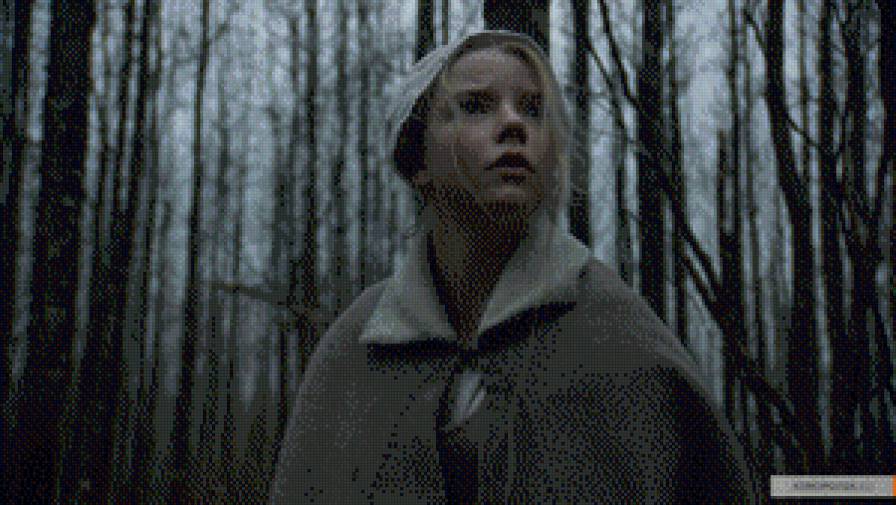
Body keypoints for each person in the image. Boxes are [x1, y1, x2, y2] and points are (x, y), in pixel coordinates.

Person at [269, 30, 761, 504]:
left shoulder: (619, 337)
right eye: (476, 106)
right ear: (416, 160)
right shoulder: (356, 352)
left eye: (532, 109)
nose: (513, 125)